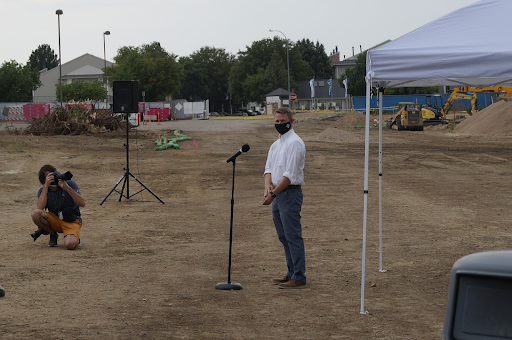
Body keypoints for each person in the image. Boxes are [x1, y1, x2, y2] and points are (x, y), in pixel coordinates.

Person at [262, 107, 306, 289]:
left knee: (292, 235)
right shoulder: (276, 144)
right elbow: (269, 168)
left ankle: (299, 275)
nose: (279, 124)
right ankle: (290, 271)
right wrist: (267, 186)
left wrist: (273, 194)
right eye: (277, 121)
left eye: (282, 121)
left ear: (291, 121)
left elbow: (289, 175)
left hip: (289, 193)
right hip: (278, 194)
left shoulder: (294, 143)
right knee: (283, 235)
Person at [31, 165, 86, 250]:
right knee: (35, 214)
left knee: (70, 245)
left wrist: (67, 188)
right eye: (48, 177)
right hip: (55, 220)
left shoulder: (69, 183)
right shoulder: (43, 191)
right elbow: (40, 208)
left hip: (71, 220)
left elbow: (82, 203)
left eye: (52, 175)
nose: (52, 178)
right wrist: (46, 186)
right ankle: (52, 233)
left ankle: (74, 237)